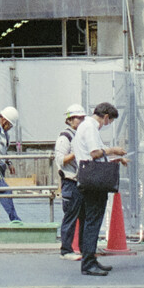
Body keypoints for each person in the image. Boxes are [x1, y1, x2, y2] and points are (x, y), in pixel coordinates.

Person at [73, 101, 128, 275]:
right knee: (93, 221)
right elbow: (95, 153)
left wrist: (111, 156)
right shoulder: (90, 127)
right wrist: (113, 150)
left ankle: (90, 258)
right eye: (109, 121)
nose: (107, 124)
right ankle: (88, 262)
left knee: (89, 220)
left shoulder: (86, 126)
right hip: (93, 181)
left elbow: (96, 154)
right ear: (105, 117)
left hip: (86, 176)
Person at [53, 104, 85, 258]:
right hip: (70, 181)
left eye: (82, 117)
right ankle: (66, 250)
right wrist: (75, 153)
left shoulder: (81, 135)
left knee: (83, 216)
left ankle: (84, 248)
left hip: (82, 181)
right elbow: (60, 160)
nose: (81, 120)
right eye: (78, 118)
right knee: (70, 216)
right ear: (70, 119)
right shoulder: (65, 137)